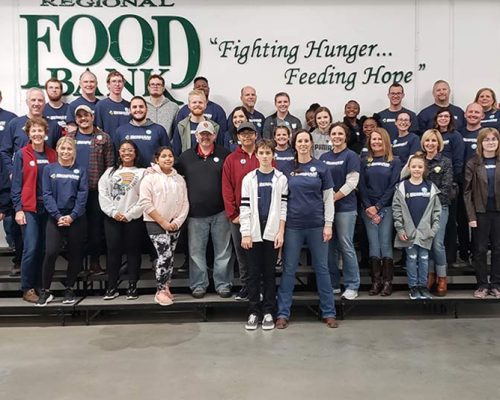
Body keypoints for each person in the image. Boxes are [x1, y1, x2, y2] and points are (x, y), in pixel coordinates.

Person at [276, 129, 337, 329]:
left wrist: (328, 224)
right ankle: (283, 313)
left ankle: (329, 312)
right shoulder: (285, 168)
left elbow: (328, 198)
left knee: (322, 269)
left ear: (311, 144)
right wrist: (281, 228)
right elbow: (281, 199)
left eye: (306, 141)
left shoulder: (321, 167)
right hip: (293, 226)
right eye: (299, 141)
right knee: (289, 270)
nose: (303, 144)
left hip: (317, 226)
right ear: (295, 144)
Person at [176, 121, 233, 299]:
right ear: (196, 136)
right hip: (195, 214)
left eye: (209, 134)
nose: (205, 137)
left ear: (215, 135)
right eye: (202, 134)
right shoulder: (185, 157)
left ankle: (223, 285)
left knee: (223, 252)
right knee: (195, 253)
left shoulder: (225, 154)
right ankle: (199, 285)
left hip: (221, 212)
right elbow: (170, 174)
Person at [240, 139, 288, 330]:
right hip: (252, 232)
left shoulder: (281, 178)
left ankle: (268, 311)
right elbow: (244, 208)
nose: (265, 156)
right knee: (253, 274)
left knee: (269, 274)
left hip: (272, 232)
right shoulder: (249, 178)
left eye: (269, 153)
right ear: (257, 155)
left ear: (273, 155)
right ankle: (253, 312)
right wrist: (245, 233)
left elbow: (283, 207)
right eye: (262, 153)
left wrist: (281, 232)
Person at [36, 137, 88, 306]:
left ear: (74, 151)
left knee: (75, 253)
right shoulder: (49, 169)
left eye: (69, 149)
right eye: (63, 148)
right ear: (57, 149)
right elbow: (47, 195)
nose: (66, 152)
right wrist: (58, 216)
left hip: (76, 218)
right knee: (51, 252)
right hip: (55, 218)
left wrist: (72, 216)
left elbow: (82, 195)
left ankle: (69, 289)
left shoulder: (81, 170)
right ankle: (46, 291)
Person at [11, 117, 57, 303]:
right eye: (34, 131)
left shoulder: (53, 155)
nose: (37, 134)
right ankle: (27, 288)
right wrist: (18, 209)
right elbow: (16, 184)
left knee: (44, 249)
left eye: (40, 131)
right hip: (29, 208)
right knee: (31, 248)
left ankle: (40, 286)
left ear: (45, 133)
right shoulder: (22, 154)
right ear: (28, 133)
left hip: (48, 209)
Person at [402, 130, 453, 296]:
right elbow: (403, 178)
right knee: (425, 244)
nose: (430, 144)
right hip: (418, 208)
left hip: (439, 207)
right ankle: (428, 276)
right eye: (427, 141)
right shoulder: (418, 160)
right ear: (423, 143)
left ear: (438, 143)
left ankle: (442, 277)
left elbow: (446, 188)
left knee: (437, 243)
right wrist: (410, 161)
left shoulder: (445, 162)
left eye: (433, 141)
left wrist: (432, 204)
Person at [139, 146, 189, 306]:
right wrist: (163, 222)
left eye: (170, 156)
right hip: (155, 223)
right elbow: (145, 203)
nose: (167, 159)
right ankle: (160, 290)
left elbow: (185, 202)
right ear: (157, 159)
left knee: (170, 257)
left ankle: (167, 287)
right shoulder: (149, 178)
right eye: (164, 156)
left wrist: (177, 222)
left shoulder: (179, 179)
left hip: (175, 223)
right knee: (164, 255)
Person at [67, 104, 114, 274]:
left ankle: (95, 262)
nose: (83, 119)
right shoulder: (69, 138)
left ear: (92, 117)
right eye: (79, 116)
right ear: (76, 119)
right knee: (76, 231)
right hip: (75, 192)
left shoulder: (104, 138)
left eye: (86, 115)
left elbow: (110, 166)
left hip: (96, 192)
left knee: (95, 230)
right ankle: (77, 264)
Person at [98, 139, 146, 300]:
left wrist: (130, 214)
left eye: (130, 150)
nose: (126, 153)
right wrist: (113, 212)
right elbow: (103, 193)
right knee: (113, 253)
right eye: (123, 150)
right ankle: (112, 286)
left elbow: (145, 197)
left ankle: (132, 285)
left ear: (136, 153)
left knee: (133, 252)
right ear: (119, 152)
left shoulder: (143, 173)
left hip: (133, 219)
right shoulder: (110, 172)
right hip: (113, 219)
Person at [320, 122, 360, 300]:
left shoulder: (351, 156)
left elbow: (352, 183)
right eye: (333, 134)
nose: (336, 137)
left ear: (346, 136)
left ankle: (352, 284)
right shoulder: (323, 157)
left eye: (340, 134)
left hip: (345, 208)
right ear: (329, 136)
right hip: (327, 210)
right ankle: (334, 283)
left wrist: (333, 198)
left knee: (346, 245)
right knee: (328, 247)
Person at [393, 152, 441, 300]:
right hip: (408, 232)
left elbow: (437, 211)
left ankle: (423, 287)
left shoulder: (430, 187)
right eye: (413, 166)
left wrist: (433, 230)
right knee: (412, 258)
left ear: (424, 169)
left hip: (425, 232)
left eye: (420, 167)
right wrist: (400, 229)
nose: (416, 169)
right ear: (409, 168)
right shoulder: (402, 187)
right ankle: (413, 287)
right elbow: (397, 210)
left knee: (425, 258)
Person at [359, 127, 401, 296]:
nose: (376, 142)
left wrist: (378, 207)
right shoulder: (364, 160)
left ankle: (387, 282)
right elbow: (361, 185)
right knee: (373, 245)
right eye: (373, 139)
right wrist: (369, 206)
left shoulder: (395, 160)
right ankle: (375, 282)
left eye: (379, 139)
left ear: (385, 140)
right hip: (367, 208)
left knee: (385, 243)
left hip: (386, 208)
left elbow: (393, 186)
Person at [222, 122, 261, 301]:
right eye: (242, 134)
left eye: (250, 133)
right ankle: (247, 286)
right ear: (238, 137)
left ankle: (260, 287)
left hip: (262, 215)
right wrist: (233, 214)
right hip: (239, 217)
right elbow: (227, 188)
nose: (246, 137)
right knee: (242, 253)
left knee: (260, 252)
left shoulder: (264, 155)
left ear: (255, 135)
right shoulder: (231, 159)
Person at [464, 128, 500, 299]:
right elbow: (467, 192)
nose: (491, 142)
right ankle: (482, 285)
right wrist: (471, 216)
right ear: (480, 142)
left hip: (498, 213)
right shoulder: (473, 163)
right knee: (480, 250)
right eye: (487, 139)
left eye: (494, 139)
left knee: (499, 250)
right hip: (480, 213)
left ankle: (495, 284)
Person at [1, 88, 61, 176]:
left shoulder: (54, 126)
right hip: (22, 177)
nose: (36, 103)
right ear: (27, 102)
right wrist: (11, 171)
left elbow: (58, 153)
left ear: (44, 103)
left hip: (47, 178)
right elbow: (4, 151)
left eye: (40, 100)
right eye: (33, 100)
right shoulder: (15, 124)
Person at [433, 107, 465, 266]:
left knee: (450, 221)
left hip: (450, 184)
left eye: (446, 116)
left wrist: (453, 181)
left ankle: (451, 256)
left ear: (450, 119)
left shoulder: (455, 136)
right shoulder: (432, 135)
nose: (443, 119)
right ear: (436, 119)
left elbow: (459, 160)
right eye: (440, 116)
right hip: (433, 183)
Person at [115, 96, 170, 168]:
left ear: (146, 109)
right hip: (129, 176)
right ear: (129, 110)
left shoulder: (159, 130)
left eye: (141, 107)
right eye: (134, 107)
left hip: (153, 175)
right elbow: (116, 156)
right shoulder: (121, 131)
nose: (138, 109)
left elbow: (167, 154)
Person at [172, 89, 220, 155]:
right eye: (194, 102)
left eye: (200, 102)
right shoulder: (181, 127)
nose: (197, 105)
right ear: (188, 105)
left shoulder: (215, 127)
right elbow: (176, 153)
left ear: (205, 105)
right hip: (187, 163)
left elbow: (219, 150)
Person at [94, 70, 130, 139]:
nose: (117, 84)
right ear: (108, 85)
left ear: (123, 84)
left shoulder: (129, 105)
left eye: (120, 81)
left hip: (126, 148)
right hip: (107, 147)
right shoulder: (101, 106)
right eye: (114, 81)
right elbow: (97, 130)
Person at [145, 74, 179, 140]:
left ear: (163, 88)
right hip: (146, 147)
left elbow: (176, 132)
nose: (155, 86)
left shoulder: (173, 107)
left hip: (166, 148)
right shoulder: (142, 106)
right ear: (148, 87)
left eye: (158, 84)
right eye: (152, 84)